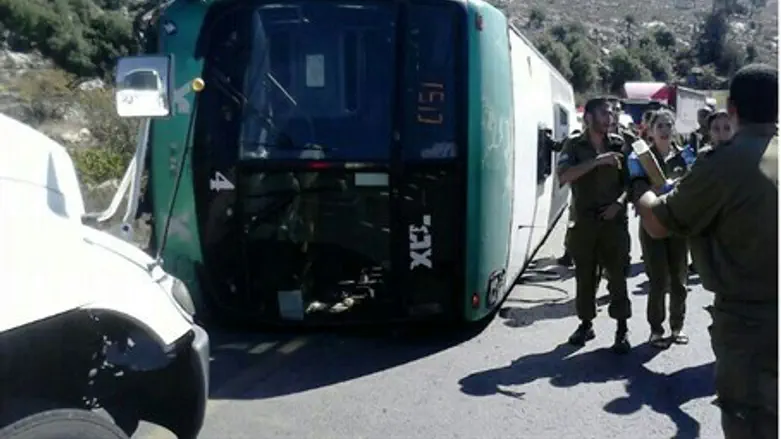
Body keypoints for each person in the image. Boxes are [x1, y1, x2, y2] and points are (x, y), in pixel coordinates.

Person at [634, 63, 778, 438]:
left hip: (750, 325)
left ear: (732, 109)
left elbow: (658, 223)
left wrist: (645, 194)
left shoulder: (722, 164)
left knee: (751, 420)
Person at [557, 97, 632, 353]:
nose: (609, 117)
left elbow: (630, 183)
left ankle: (622, 329)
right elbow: (565, 175)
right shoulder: (574, 145)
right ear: (588, 117)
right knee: (585, 278)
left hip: (614, 223)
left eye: (611, 113)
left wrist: (618, 205)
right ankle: (586, 324)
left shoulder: (620, 144)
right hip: (585, 224)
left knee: (618, 277)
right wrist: (597, 162)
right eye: (603, 113)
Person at [627, 109, 695, 348]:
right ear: (651, 131)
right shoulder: (641, 158)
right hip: (653, 224)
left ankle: (677, 327)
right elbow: (636, 191)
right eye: (660, 126)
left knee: (679, 280)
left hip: (678, 226)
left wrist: (676, 187)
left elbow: (694, 185)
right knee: (658, 280)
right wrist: (661, 189)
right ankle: (656, 329)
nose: (665, 130)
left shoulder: (685, 157)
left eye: (668, 125)